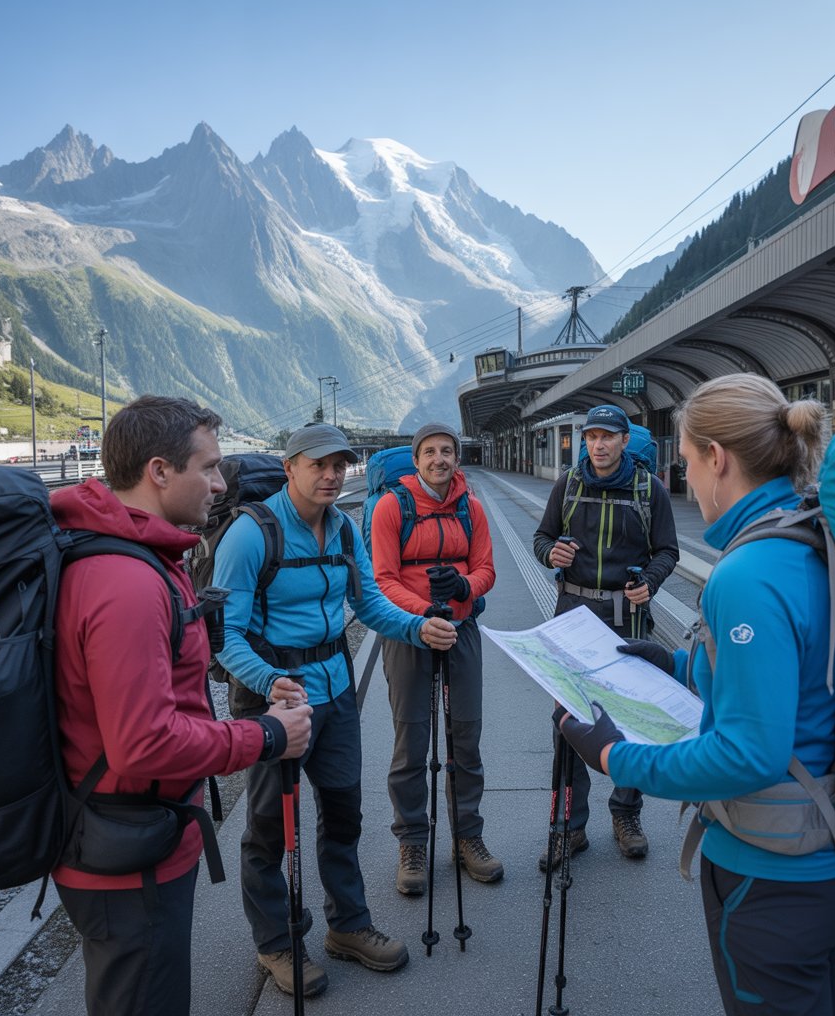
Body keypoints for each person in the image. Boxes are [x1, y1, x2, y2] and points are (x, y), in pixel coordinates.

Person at [557, 373, 835, 1016]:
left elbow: (748, 753)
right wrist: (675, 662)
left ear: (717, 457)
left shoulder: (750, 574)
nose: (687, 481)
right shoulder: (809, 537)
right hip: (827, 853)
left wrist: (616, 757)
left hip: (769, 867)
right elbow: (798, 677)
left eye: (687, 461)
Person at [50, 395, 313, 1016]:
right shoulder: (128, 583)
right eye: (210, 467)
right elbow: (142, 744)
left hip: (134, 835)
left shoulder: (133, 555)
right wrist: (265, 736)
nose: (222, 485)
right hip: (127, 852)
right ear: (160, 471)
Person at [212, 423, 457, 999]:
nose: (330, 475)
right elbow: (224, 636)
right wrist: (272, 681)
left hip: (335, 688)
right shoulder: (251, 536)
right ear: (291, 465)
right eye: (318, 464)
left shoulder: (345, 528)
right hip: (274, 696)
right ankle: (276, 942)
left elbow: (367, 601)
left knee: (343, 812)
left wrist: (419, 628)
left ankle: (347, 925)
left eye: (340, 465)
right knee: (270, 828)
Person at [533, 403, 679, 868]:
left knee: (628, 722)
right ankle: (567, 827)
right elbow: (541, 537)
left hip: (626, 620)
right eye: (591, 436)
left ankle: (626, 814)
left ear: (622, 440)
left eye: (607, 436)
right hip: (574, 616)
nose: (598, 444)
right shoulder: (568, 485)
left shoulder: (648, 489)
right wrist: (549, 554)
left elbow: (667, 550)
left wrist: (648, 582)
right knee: (570, 725)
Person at [371, 422, 500, 895]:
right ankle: (412, 842)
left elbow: (486, 568)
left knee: (465, 735)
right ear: (416, 458)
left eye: (447, 451)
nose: (439, 459)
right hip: (410, 634)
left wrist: (465, 588)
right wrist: (425, 613)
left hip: (461, 630)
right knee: (412, 739)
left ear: (456, 459)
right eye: (429, 452)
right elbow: (383, 579)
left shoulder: (472, 509)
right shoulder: (392, 507)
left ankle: (468, 836)